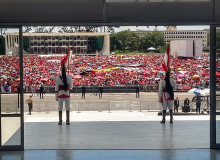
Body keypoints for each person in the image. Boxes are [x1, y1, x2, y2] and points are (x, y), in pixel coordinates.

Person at [55, 58, 73, 125]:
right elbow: (71, 86)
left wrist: (56, 96)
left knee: (60, 107)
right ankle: (67, 120)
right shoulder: (69, 77)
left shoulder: (57, 77)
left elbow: (56, 88)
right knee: (67, 107)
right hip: (67, 93)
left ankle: (60, 120)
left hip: (60, 94)